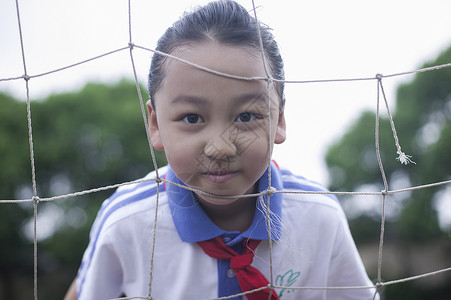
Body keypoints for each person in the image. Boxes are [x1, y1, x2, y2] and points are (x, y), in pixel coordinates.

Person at [66, 1, 379, 299]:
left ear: (279, 119)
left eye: (246, 117)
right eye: (192, 118)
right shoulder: (126, 220)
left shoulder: (319, 216)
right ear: (156, 124)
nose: (220, 147)